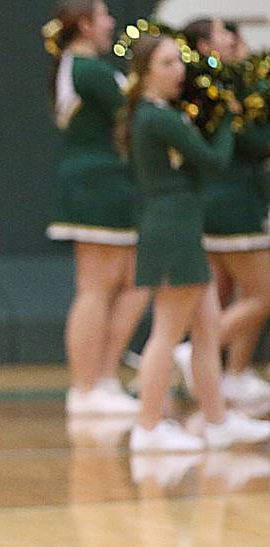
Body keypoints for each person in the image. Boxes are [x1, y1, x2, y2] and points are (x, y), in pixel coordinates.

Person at [117, 33, 270, 451]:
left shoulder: (156, 114)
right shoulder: (157, 117)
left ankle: (217, 420)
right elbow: (215, 161)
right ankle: (148, 428)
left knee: (206, 330)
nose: (179, 70)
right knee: (166, 334)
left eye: (178, 62)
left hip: (179, 224)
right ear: (146, 73)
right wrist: (227, 118)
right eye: (167, 63)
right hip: (173, 230)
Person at [43, 0, 149, 416]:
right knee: (96, 287)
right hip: (97, 187)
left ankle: (102, 379)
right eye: (104, 16)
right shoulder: (89, 71)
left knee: (134, 282)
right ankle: (86, 388)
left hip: (108, 186)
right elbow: (137, 113)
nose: (111, 23)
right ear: (85, 25)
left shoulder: (81, 67)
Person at [172, 19, 270, 405]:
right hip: (233, 204)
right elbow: (251, 141)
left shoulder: (219, 84)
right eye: (222, 34)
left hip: (218, 202)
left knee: (226, 293)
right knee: (264, 294)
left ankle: (231, 374)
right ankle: (194, 354)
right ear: (205, 46)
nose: (233, 38)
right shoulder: (214, 92)